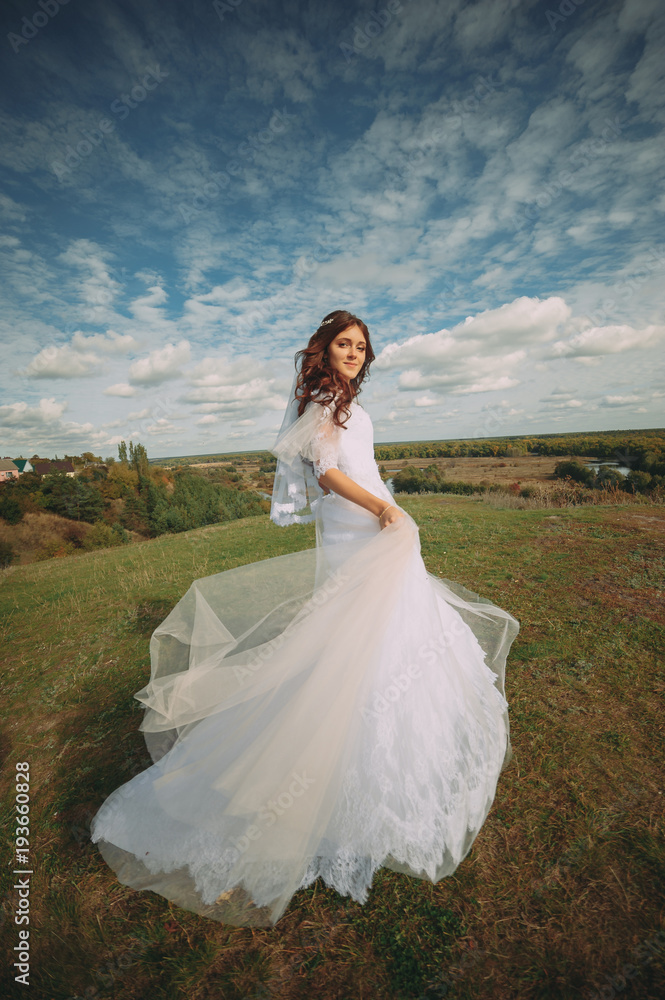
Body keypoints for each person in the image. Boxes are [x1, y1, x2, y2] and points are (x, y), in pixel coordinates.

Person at [90, 309, 519, 929]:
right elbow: (328, 474)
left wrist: (389, 510)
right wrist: (382, 510)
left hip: (379, 522)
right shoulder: (322, 401)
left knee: (385, 634)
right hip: (360, 527)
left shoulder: (350, 402)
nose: (353, 353)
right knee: (351, 640)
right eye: (344, 344)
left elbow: (360, 464)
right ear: (325, 350)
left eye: (361, 347)